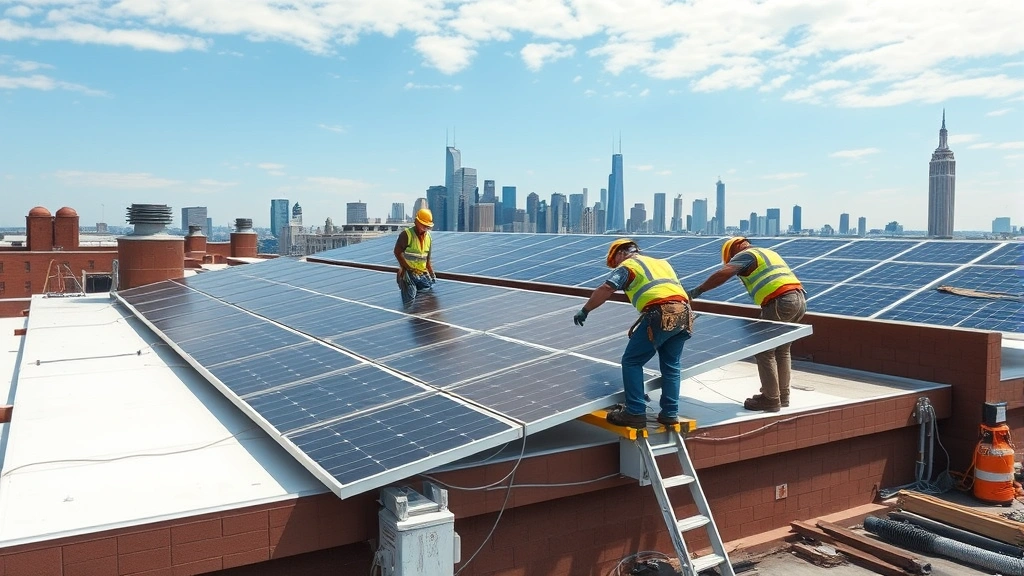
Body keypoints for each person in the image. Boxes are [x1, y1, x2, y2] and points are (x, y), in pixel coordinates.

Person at [572, 238, 693, 428]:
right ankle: (670, 413)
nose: (616, 265)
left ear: (620, 254)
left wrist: (586, 309)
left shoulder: (628, 266)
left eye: (615, 262)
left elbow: (607, 288)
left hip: (660, 313)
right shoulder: (662, 263)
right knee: (671, 366)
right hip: (684, 314)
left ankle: (635, 412)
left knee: (632, 361)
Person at [688, 236, 806, 413]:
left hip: (779, 301)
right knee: (782, 349)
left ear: (733, 251)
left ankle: (771, 399)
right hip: (798, 300)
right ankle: (783, 396)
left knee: (764, 350)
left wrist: (696, 291)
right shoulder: (768, 253)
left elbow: (723, 273)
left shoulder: (747, 255)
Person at [394, 208, 437, 304]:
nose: (426, 227)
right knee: (410, 301)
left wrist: (431, 273)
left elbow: (427, 259)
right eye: (423, 225)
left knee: (426, 299)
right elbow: (397, 252)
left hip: (421, 274)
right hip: (408, 275)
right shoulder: (406, 235)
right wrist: (408, 269)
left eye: (427, 226)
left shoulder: (429, 238)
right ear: (417, 222)